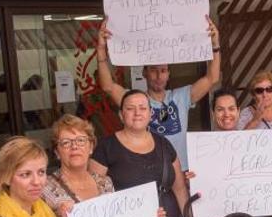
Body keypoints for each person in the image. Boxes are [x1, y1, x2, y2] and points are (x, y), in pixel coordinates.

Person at [95, 17, 221, 170]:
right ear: (144, 73)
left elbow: (212, 78)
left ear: (168, 74)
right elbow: (108, 86)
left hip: (180, 170)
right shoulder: (136, 102)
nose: (158, 76)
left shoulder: (182, 97)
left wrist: (215, 45)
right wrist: (101, 48)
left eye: (163, 71)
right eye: (153, 70)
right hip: (149, 172)